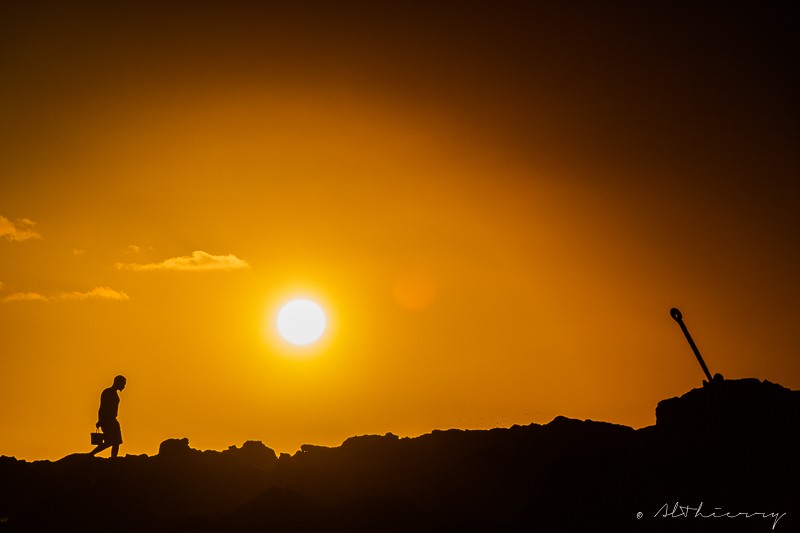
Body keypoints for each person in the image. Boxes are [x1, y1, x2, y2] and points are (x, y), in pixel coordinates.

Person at [89, 375, 126, 458]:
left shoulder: (113, 393)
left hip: (112, 420)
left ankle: (113, 458)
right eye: (123, 384)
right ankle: (91, 454)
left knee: (116, 442)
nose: (124, 386)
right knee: (111, 442)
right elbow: (102, 407)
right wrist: (100, 420)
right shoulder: (108, 392)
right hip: (108, 421)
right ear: (118, 382)